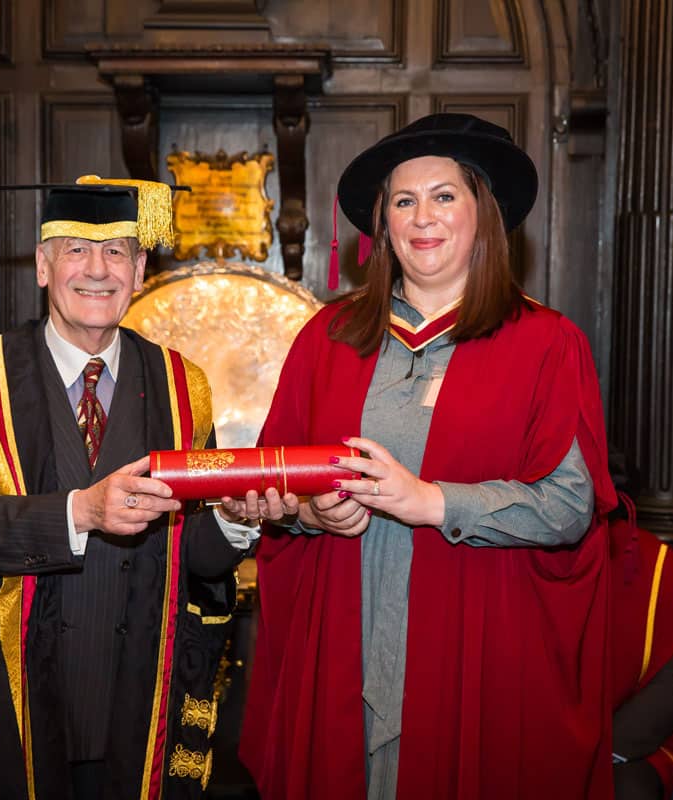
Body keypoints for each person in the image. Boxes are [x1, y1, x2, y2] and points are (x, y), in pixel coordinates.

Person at [237, 113, 618, 799]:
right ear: (380, 225)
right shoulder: (328, 338)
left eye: (445, 196)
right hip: (342, 631)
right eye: (403, 201)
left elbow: (569, 508)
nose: (423, 217)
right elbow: (278, 477)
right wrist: (310, 513)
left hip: (477, 640)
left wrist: (431, 500)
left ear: (484, 214)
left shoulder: (545, 344)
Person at [0, 177, 287, 799]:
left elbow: (197, 558)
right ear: (43, 266)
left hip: (137, 697)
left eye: (117, 254)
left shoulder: (183, 388)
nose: (97, 270)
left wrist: (238, 521)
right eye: (76, 250)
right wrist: (81, 511)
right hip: (20, 694)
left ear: (139, 271)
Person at [608, 480, 673, 799]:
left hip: (627, 742)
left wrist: (600, 750)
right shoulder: (521, 558)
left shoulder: (654, 562)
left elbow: (670, 686)